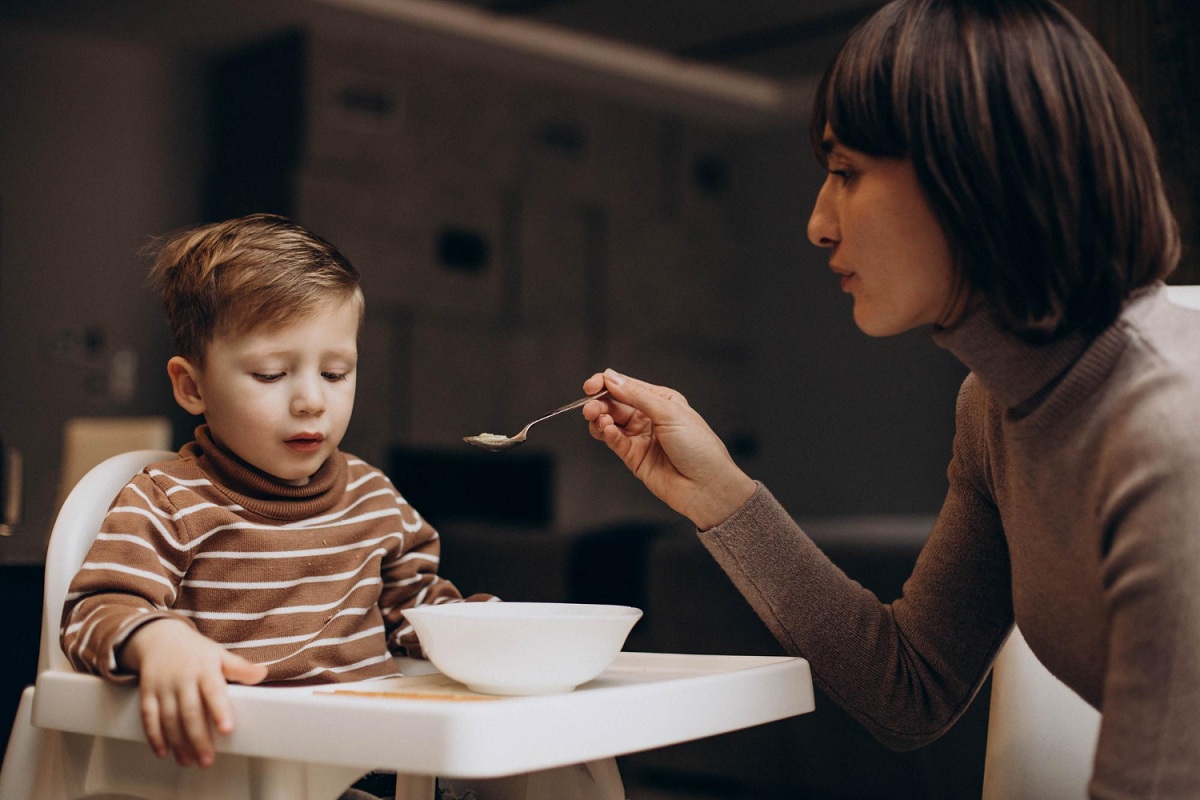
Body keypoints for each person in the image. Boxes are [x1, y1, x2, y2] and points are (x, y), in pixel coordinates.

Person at [582, 0, 1197, 797]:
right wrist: (722, 497)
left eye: (846, 172)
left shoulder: (1168, 441)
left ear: (975, 170)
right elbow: (913, 687)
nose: (816, 224)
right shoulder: (996, 407)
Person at [59, 213, 492, 797]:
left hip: (382, 757)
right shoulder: (168, 500)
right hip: (244, 774)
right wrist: (159, 642)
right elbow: (93, 610)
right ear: (192, 387)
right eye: (270, 374)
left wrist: (482, 631)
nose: (312, 400)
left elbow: (417, 606)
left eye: (336, 372)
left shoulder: (373, 497)